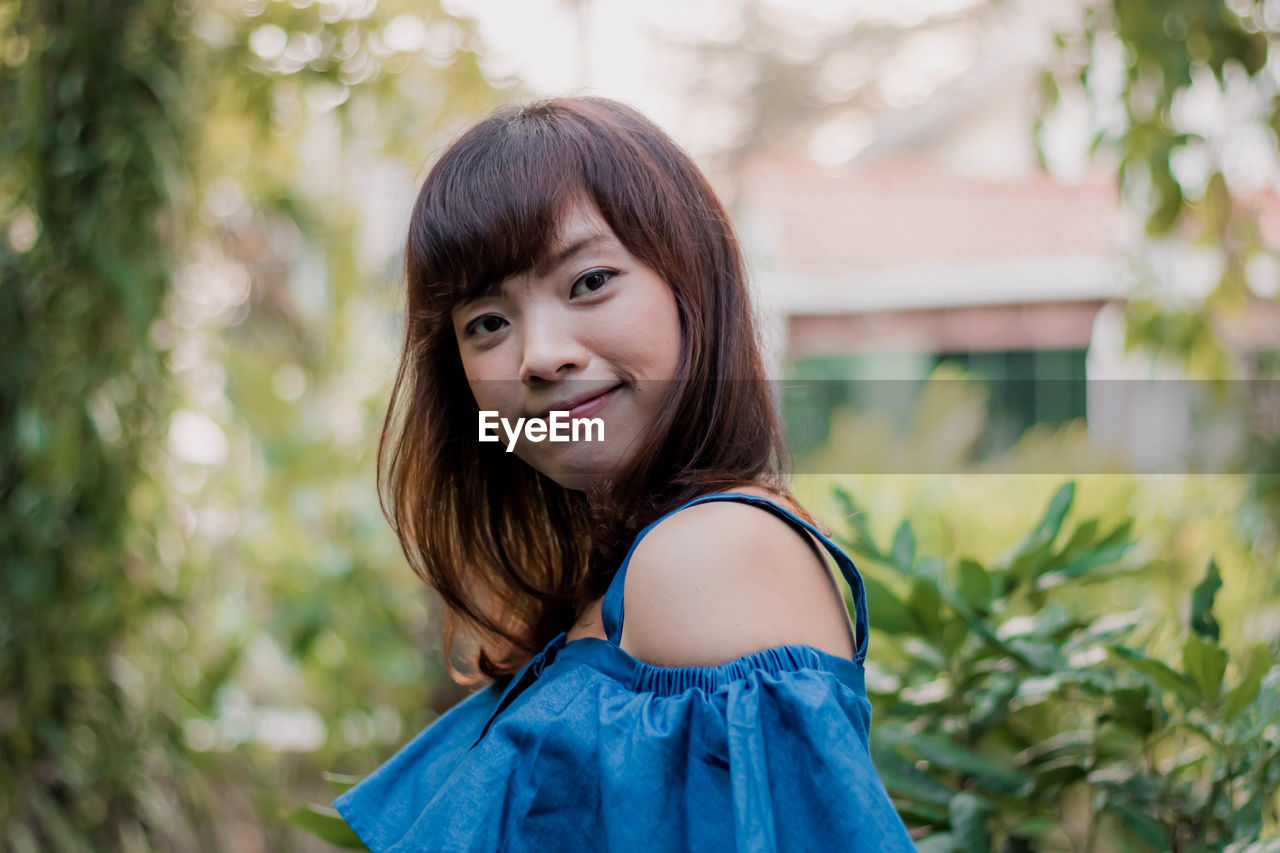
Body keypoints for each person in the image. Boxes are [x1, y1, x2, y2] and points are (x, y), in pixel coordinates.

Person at [334, 96, 916, 852]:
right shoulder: (634, 573)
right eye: (487, 322)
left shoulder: (707, 555)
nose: (540, 355)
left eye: (588, 281)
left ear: (689, 282)